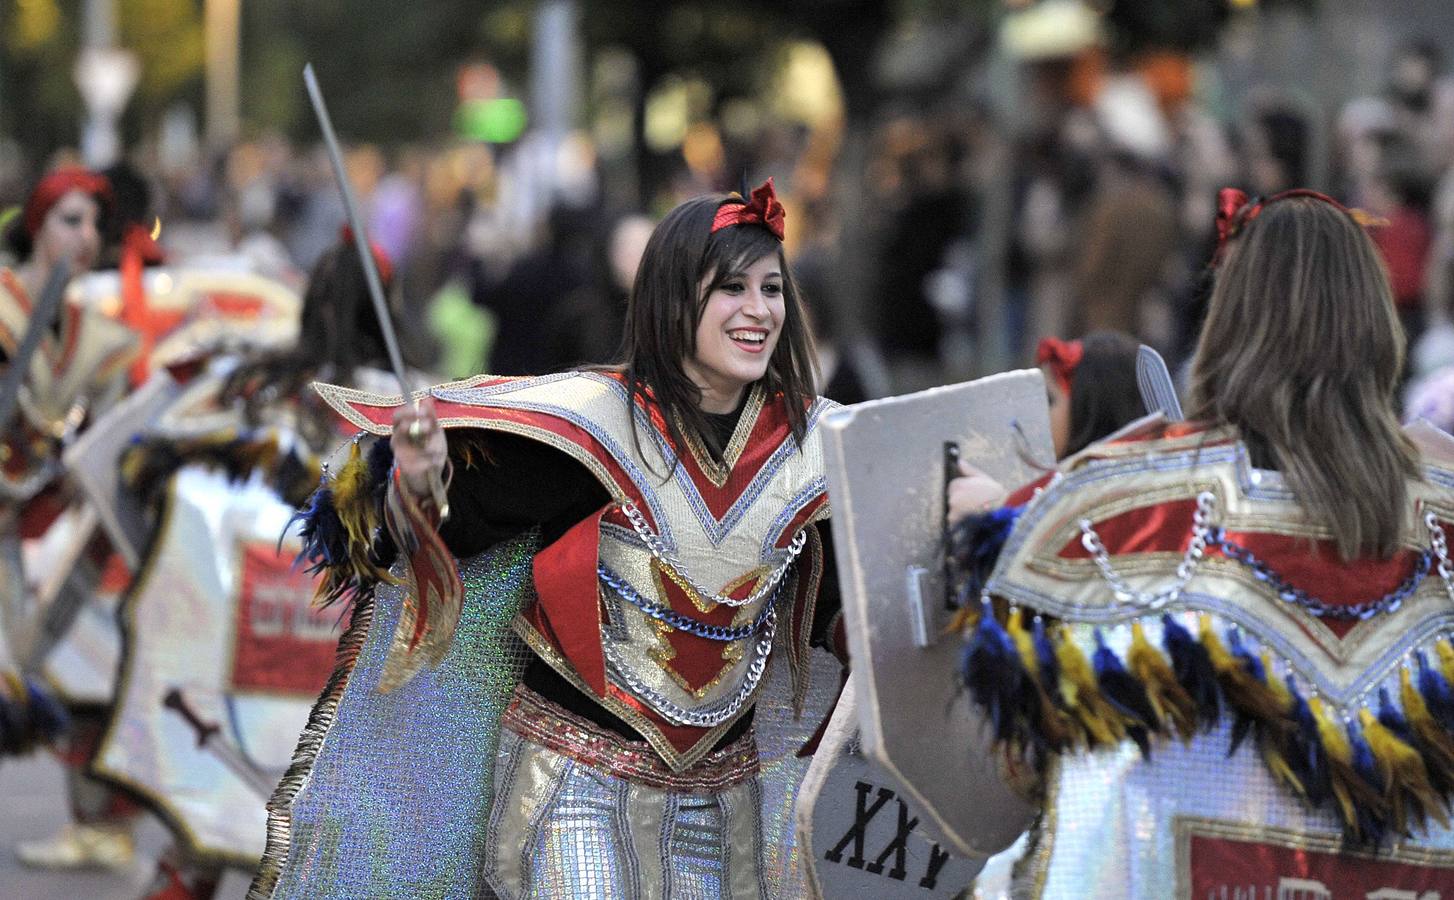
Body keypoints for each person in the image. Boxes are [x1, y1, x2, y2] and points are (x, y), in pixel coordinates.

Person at [251, 179, 844, 899]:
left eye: (771, 289)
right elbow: (444, 533)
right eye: (731, 289)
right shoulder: (589, 424)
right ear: (670, 298)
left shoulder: (816, 450)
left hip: (724, 803)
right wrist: (422, 478)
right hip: (576, 789)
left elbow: (854, 619)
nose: (758, 312)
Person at [941, 188, 1454, 896]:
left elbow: (1012, 754)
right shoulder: (1442, 504)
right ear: (1373, 323)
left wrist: (992, 509)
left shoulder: (1108, 502)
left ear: (1231, 318)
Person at [0, 167, 144, 871]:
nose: (86, 238)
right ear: (36, 223)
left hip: (59, 533)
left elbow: (112, 436)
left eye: (94, 224)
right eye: (70, 221)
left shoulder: (103, 336)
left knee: (84, 675)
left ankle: (101, 827)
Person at [947, 331, 1142, 529]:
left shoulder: (1115, 512)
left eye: (1048, 400)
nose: (1032, 415)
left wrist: (995, 512)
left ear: (1092, 411)